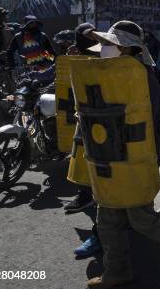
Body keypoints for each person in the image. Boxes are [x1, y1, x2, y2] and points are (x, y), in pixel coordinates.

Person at [82, 20, 160, 289]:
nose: (105, 49)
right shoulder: (110, 71)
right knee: (108, 216)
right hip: (110, 152)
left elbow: (148, 120)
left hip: (136, 153)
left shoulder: (142, 76)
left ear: (127, 48)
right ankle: (117, 271)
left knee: (140, 216)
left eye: (111, 44)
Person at [62, 23, 102, 258]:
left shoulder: (104, 57)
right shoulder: (75, 59)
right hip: (83, 118)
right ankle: (85, 195)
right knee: (81, 159)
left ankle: (103, 224)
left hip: (103, 123)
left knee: (100, 167)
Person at [6, 14, 56, 84]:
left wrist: (54, 62)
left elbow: (50, 51)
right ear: (26, 25)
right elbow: (10, 51)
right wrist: (12, 64)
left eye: (35, 23)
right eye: (31, 23)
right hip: (24, 68)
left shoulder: (43, 36)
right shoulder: (18, 37)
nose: (33, 25)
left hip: (42, 67)